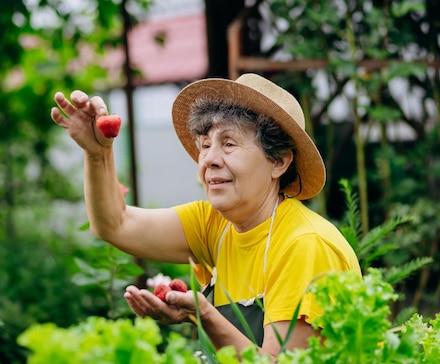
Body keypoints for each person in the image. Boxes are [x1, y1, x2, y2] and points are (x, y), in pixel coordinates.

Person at [50, 73, 361, 358]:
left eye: (228, 143)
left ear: (278, 162)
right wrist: (97, 152)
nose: (209, 159)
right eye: (205, 145)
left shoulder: (305, 245)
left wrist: (205, 315)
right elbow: (114, 225)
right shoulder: (217, 224)